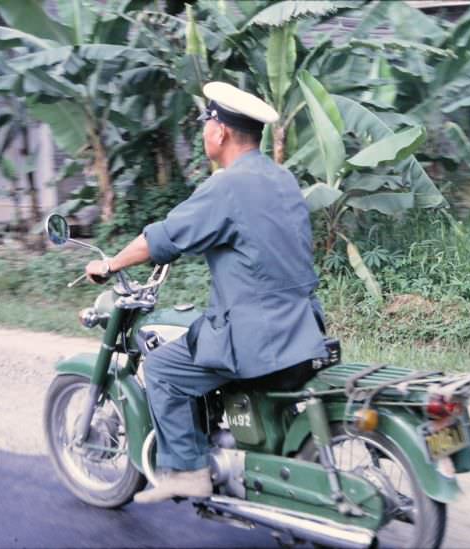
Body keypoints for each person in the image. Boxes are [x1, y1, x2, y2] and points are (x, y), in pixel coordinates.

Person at [84, 82, 327, 503]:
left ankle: (187, 471)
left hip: (258, 337)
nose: (203, 133)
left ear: (220, 130)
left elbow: (162, 238)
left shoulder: (227, 186)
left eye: (205, 124)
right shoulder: (282, 178)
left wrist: (110, 264)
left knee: (164, 368)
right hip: (305, 328)